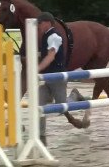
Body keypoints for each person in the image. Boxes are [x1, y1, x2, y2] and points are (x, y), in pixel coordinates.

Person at [37, 12, 84, 145]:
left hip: (57, 76)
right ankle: (40, 135)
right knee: (38, 106)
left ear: (47, 22)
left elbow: (51, 56)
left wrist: (37, 68)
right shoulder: (45, 36)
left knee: (61, 106)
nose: (38, 26)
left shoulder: (54, 37)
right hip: (45, 77)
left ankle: (74, 95)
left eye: (40, 23)